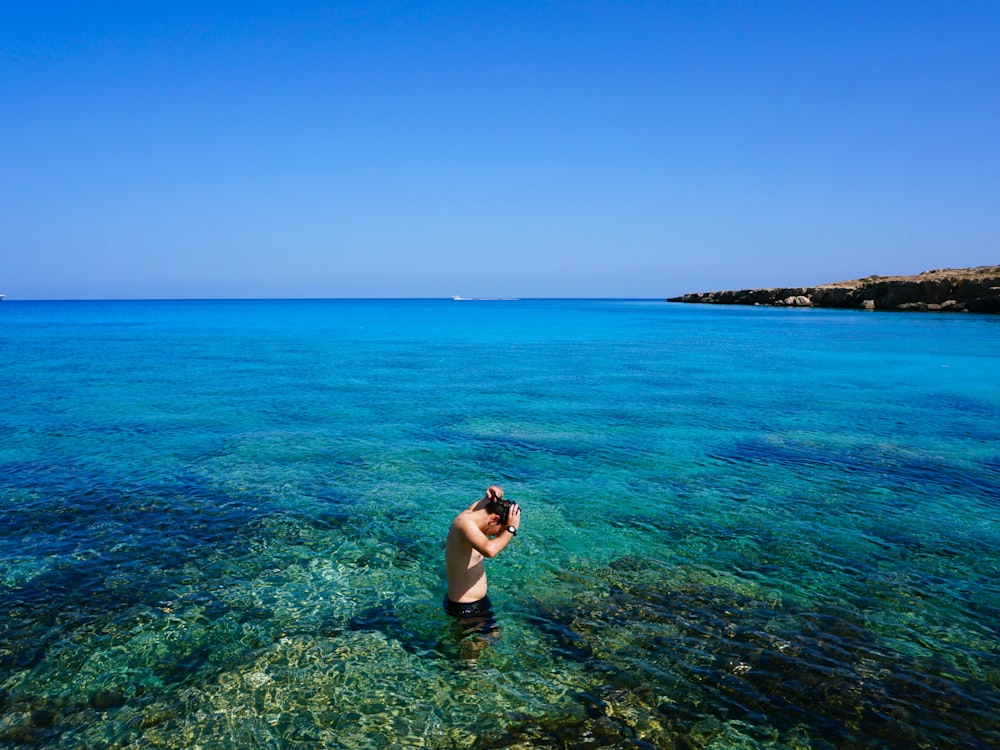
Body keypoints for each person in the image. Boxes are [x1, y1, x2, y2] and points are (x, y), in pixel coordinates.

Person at [443, 485, 521, 630]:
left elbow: (482, 505)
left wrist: (494, 494)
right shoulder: (463, 523)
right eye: (498, 531)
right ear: (494, 519)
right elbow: (490, 550)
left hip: (477, 604)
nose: (495, 536)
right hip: (465, 609)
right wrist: (511, 529)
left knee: (491, 641)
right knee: (471, 651)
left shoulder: (474, 517)